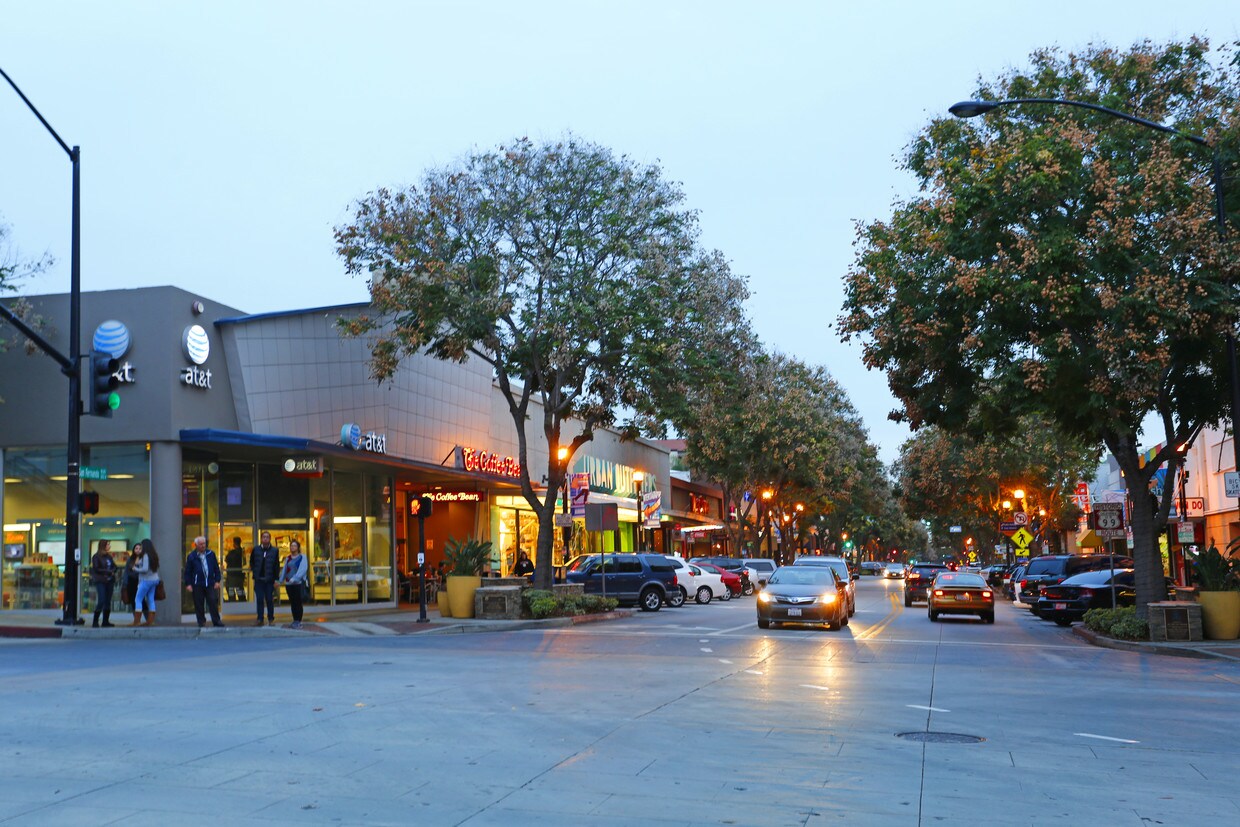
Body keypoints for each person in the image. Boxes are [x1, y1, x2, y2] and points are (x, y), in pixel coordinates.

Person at [183, 535, 225, 628]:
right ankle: (201, 621)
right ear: (196, 545)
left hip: (210, 583)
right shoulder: (192, 556)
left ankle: (216, 621)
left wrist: (217, 580)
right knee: (199, 603)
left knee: (213, 601)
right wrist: (188, 583)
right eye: (201, 544)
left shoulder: (211, 554)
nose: (203, 546)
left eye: (204, 544)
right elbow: (188, 571)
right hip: (197, 583)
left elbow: (216, 568)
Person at [250, 531, 280, 626]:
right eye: (264, 537)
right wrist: (255, 571)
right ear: (261, 539)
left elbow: (276, 565)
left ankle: (271, 619)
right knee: (259, 599)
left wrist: (276, 579)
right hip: (259, 579)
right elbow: (252, 561)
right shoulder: (256, 549)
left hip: (269, 580)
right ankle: (260, 619)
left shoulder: (274, 550)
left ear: (270, 539)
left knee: (269, 599)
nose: (265, 539)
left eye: (267, 537)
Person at [277, 539, 309, 629]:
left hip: (298, 583)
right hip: (289, 584)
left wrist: (295, 578)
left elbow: (303, 569)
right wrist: (280, 580)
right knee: (292, 602)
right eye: (291, 546)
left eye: (294, 546)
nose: (292, 547)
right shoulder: (288, 558)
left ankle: (298, 621)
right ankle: (295, 620)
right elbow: (284, 570)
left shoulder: (302, 557)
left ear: (298, 547)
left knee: (298, 602)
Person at [131, 538, 161, 626]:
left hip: (146, 580)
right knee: (151, 599)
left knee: (138, 599)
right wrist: (138, 562)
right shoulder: (154, 555)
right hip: (154, 580)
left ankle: (137, 621)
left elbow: (145, 569)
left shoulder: (146, 556)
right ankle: (150, 621)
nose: (141, 548)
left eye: (141, 546)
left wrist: (135, 569)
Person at [90, 540, 118, 627]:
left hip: (110, 581)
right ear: (103, 546)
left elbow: (114, 566)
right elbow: (96, 568)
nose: (109, 546)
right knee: (101, 600)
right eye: (108, 545)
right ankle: (95, 621)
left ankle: (105, 621)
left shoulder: (109, 556)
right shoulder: (96, 557)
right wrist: (109, 572)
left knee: (107, 601)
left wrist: (113, 570)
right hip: (101, 580)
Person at [225, 536, 247, 602]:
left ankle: (232, 602)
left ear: (234, 543)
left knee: (230, 589)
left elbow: (227, 559)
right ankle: (243, 602)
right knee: (240, 589)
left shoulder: (232, 552)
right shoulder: (243, 552)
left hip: (232, 575)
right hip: (240, 575)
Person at [121, 544, 140, 611]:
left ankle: (146, 616)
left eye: (139, 549)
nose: (138, 550)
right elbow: (126, 571)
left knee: (141, 600)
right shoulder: (130, 559)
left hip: (140, 581)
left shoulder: (144, 559)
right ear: (133, 550)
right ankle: (136, 616)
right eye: (136, 548)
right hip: (131, 581)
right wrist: (125, 583)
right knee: (133, 599)